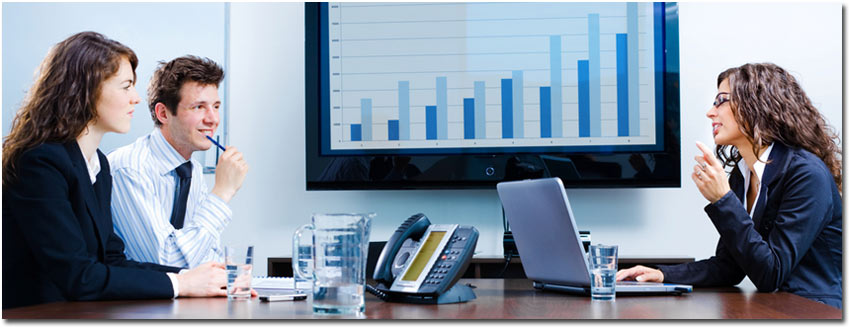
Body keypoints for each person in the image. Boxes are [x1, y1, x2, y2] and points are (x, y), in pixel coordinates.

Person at [2, 32, 229, 310]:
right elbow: (79, 276)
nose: (135, 98)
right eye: (126, 86)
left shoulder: (97, 164)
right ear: (86, 90)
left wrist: (192, 279)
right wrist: (181, 284)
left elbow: (111, 260)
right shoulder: (39, 162)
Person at [617, 63, 842, 309]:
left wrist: (723, 200)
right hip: (775, 308)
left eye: (720, 101)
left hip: (815, 310)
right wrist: (662, 275)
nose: (710, 112)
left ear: (756, 104)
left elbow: (771, 272)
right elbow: (729, 266)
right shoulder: (742, 174)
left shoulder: (806, 174)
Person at [108, 56, 248, 268]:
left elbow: (202, 253)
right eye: (199, 107)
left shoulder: (193, 171)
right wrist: (222, 193)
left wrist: (222, 269)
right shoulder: (129, 169)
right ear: (163, 113)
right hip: (134, 300)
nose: (213, 119)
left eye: (216, 106)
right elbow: (167, 261)